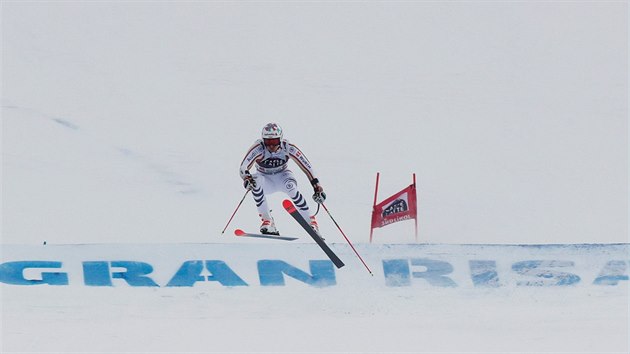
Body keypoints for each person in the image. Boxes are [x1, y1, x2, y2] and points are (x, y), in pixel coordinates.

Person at [239, 122, 326, 235]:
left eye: (274, 141)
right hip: (266, 180)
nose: (271, 145)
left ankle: (311, 221)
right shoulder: (258, 148)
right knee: (256, 181)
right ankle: (268, 221)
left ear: (280, 139)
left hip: (283, 176)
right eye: (267, 141)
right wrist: (247, 178)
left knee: (290, 187)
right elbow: (243, 166)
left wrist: (317, 186)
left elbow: (307, 166)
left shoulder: (288, 147)